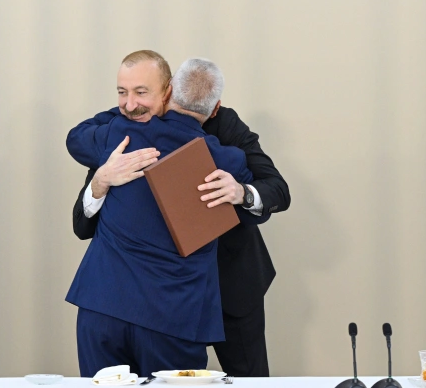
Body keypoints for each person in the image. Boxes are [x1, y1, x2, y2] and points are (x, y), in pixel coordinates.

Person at [71, 50, 289, 377]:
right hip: (151, 301)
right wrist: (101, 179)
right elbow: (83, 219)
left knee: (249, 380)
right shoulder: (123, 125)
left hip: (229, 286)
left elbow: (276, 189)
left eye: (141, 92)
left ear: (168, 91)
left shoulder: (223, 125)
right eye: (123, 93)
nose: (131, 105)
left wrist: (241, 192)